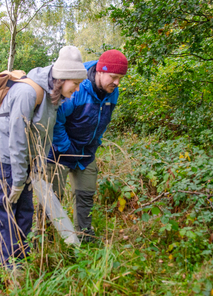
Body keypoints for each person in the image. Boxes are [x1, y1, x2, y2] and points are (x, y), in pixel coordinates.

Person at [0, 46, 87, 268]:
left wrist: (37, 166)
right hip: (3, 152)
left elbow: (44, 135)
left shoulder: (54, 96)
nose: (77, 90)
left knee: (25, 207)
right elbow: (17, 140)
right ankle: (6, 264)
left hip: (24, 156)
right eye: (75, 84)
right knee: (7, 204)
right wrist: (19, 181)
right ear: (62, 78)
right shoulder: (28, 93)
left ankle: (21, 256)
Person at [47, 49, 128, 242]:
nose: (117, 83)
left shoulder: (112, 93)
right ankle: (47, 240)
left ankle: (84, 235)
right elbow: (57, 122)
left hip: (86, 152)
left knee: (86, 193)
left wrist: (94, 143)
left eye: (120, 78)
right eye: (114, 77)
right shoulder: (77, 87)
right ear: (100, 71)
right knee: (52, 197)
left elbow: (102, 120)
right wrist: (67, 148)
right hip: (59, 150)